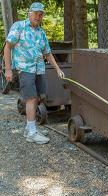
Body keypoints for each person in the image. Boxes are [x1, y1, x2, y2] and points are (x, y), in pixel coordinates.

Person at [3, 2, 65, 144]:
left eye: (41, 14)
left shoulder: (41, 32)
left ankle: (29, 127)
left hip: (39, 69)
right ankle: (32, 133)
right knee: (31, 98)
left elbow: (47, 53)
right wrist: (8, 69)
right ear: (29, 13)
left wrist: (58, 69)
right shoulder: (19, 26)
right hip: (25, 68)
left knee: (38, 97)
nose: (38, 16)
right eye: (36, 13)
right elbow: (8, 47)